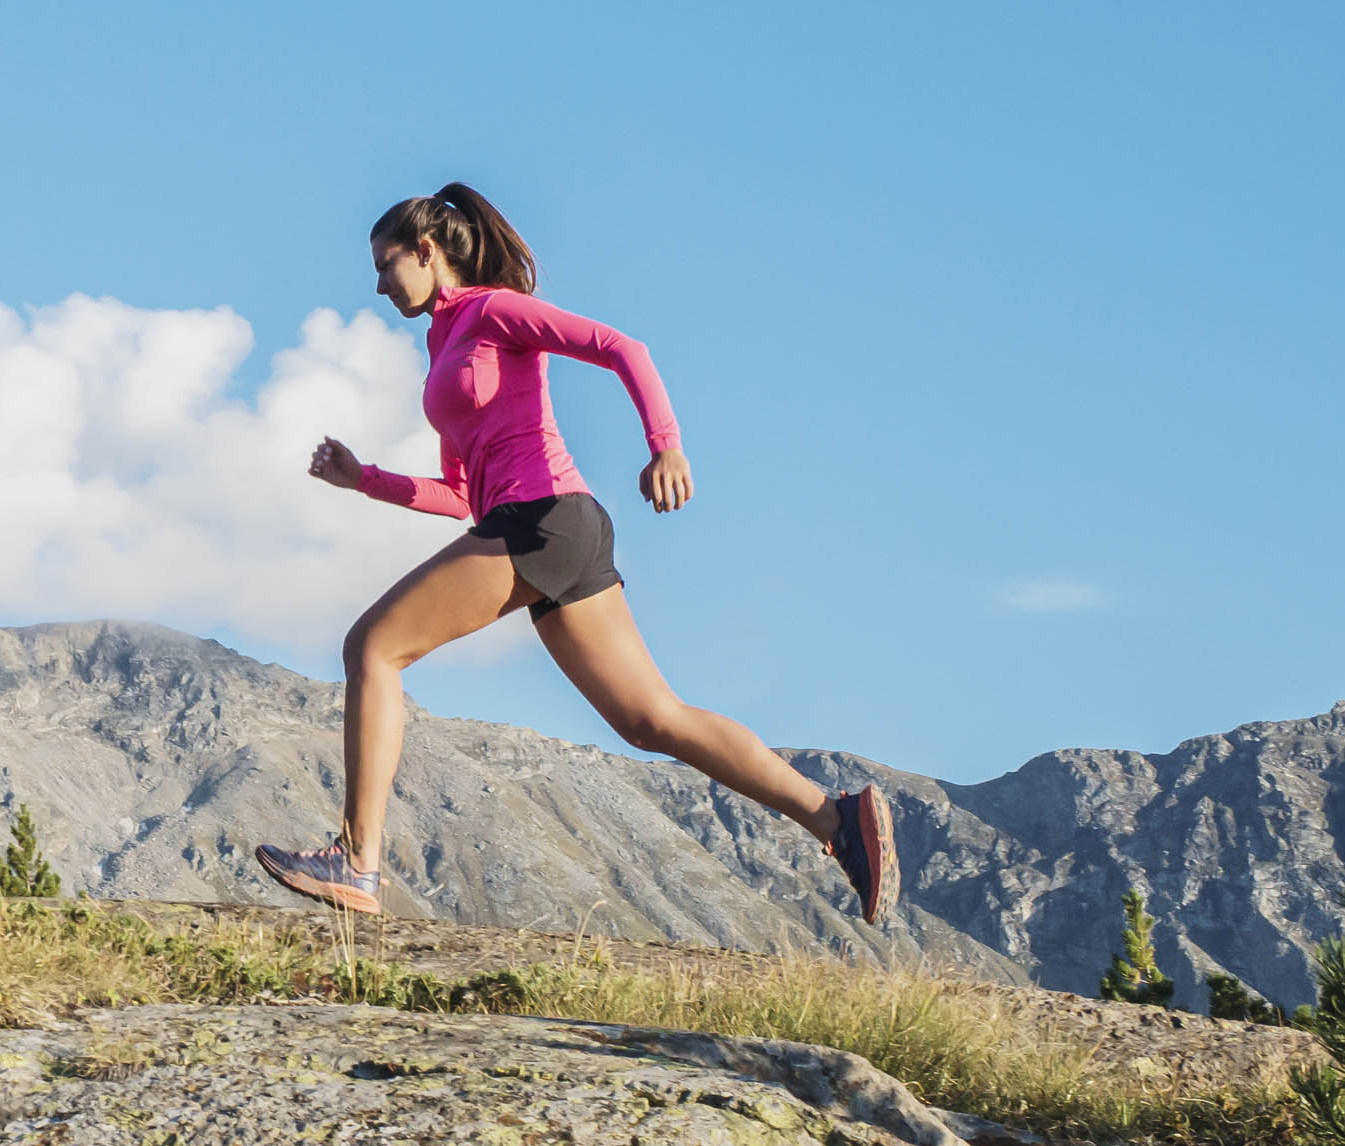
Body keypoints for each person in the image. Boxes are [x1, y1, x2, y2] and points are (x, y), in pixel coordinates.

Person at [254, 182, 898, 925]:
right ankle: (835, 818)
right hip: (537, 524)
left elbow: (622, 347)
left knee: (372, 646)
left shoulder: (494, 310)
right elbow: (460, 495)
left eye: (385, 263)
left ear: (426, 251)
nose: (375, 283)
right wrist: (363, 478)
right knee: (650, 719)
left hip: (546, 519)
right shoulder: (443, 343)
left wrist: (666, 446)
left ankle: (356, 861)